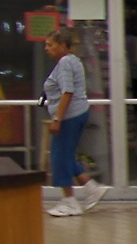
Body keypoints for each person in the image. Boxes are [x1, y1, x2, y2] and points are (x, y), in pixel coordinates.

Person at [42, 28, 104, 217]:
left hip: (69, 116)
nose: (46, 48)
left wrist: (57, 119)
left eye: (50, 45)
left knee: (59, 157)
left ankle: (69, 202)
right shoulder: (72, 61)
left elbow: (67, 92)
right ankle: (91, 187)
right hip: (76, 114)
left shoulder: (65, 63)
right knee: (66, 155)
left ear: (62, 46)